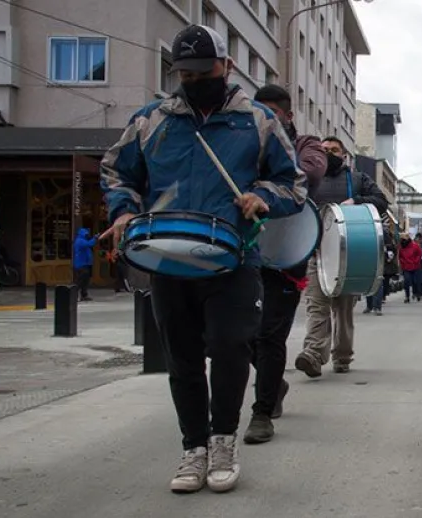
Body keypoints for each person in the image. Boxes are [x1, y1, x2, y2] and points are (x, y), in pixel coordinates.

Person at [100, 24, 307, 494]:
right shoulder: (152, 120)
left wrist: (260, 196)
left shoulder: (257, 121)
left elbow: (292, 183)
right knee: (183, 357)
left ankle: (222, 440)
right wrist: (125, 210)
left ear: (226, 67)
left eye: (204, 71)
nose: (194, 80)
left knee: (232, 347)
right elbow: (116, 171)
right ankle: (193, 448)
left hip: (233, 256)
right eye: (185, 74)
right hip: (167, 256)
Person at [243, 84, 327, 445]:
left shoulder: (308, 145)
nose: (261, 120)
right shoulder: (244, 141)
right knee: (237, 335)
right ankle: (273, 382)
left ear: (287, 116)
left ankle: (261, 412)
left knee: (269, 335)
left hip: (286, 255)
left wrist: (261, 182)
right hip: (245, 249)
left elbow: (309, 174)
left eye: (270, 113)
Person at [296, 137, 388, 376]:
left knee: (343, 311)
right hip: (316, 252)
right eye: (324, 150)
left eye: (333, 150)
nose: (328, 153)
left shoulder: (357, 179)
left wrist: (356, 200)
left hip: (348, 255)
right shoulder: (308, 179)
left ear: (344, 155)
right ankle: (314, 355)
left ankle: (342, 357)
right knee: (317, 307)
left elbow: (381, 201)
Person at [365, 227, 398, 315]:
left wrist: (387, 253)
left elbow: (390, 246)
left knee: (377, 284)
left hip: (378, 260)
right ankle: (371, 306)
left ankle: (375, 307)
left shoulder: (380, 231)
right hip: (371, 259)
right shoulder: (377, 230)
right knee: (370, 284)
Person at [72, 228, 97, 302]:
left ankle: (84, 295)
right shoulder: (80, 241)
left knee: (85, 281)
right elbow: (90, 244)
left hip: (84, 264)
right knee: (80, 281)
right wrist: (95, 238)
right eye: (86, 234)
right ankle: (74, 295)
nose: (87, 235)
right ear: (83, 234)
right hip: (81, 264)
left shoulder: (82, 240)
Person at [399, 232, 422, 303]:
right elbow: (400, 256)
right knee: (406, 281)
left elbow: (420, 254)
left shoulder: (415, 245)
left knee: (415, 281)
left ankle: (416, 293)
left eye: (404, 239)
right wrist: (403, 263)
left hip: (415, 266)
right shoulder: (401, 247)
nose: (402, 241)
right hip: (406, 267)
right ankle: (407, 296)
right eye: (402, 239)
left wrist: (416, 261)